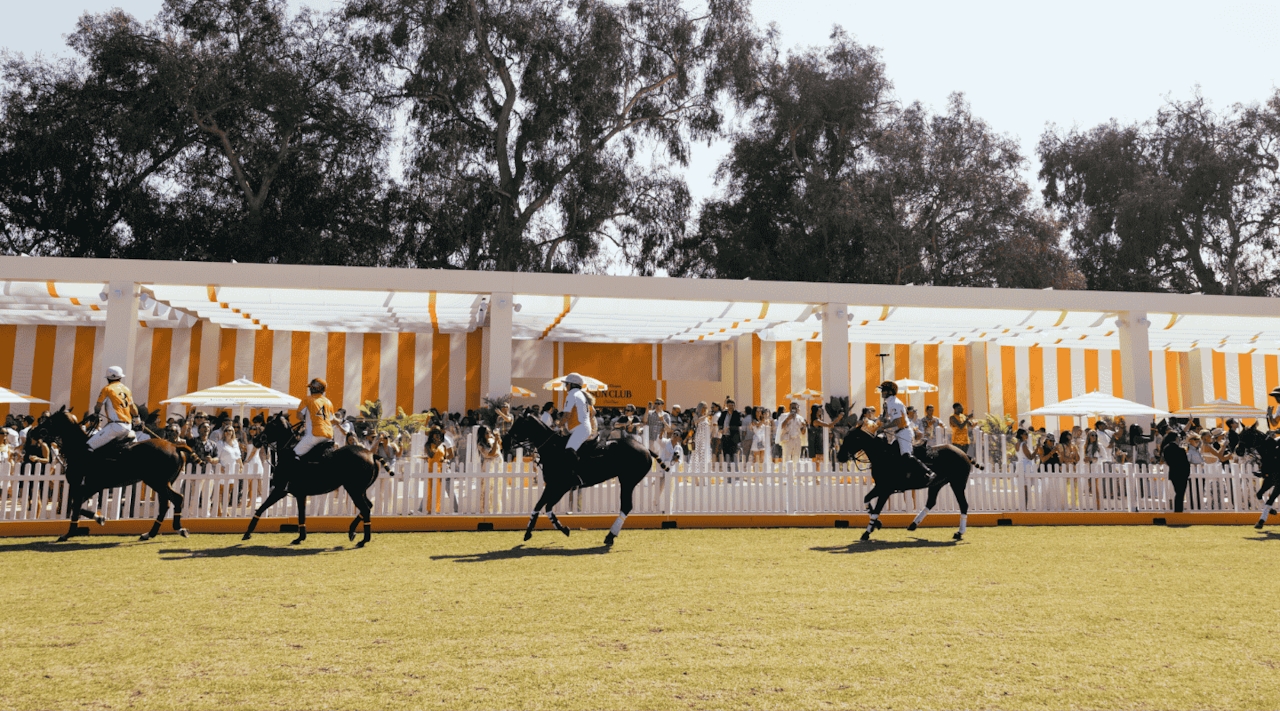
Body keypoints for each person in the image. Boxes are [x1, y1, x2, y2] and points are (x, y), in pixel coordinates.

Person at [874, 381, 937, 484]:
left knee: (906, 455)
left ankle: (929, 472)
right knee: (892, 452)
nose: (882, 392)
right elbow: (893, 420)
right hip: (898, 432)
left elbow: (898, 421)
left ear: (890, 392)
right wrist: (884, 419)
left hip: (904, 432)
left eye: (883, 390)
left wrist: (884, 427)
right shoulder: (889, 402)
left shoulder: (894, 402)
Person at [87, 366, 138, 452]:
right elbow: (133, 408)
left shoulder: (107, 389)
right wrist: (137, 420)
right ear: (120, 377)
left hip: (115, 427)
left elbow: (98, 405)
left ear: (108, 378)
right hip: (128, 427)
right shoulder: (127, 389)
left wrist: (96, 414)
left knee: (88, 446)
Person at [561, 373, 595, 483]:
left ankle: (576, 477)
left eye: (566, 384)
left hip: (580, 429)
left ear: (571, 385)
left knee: (568, 451)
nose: (565, 386)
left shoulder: (572, 394)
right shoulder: (579, 394)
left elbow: (566, 415)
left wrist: (557, 426)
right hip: (581, 428)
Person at [295, 378, 335, 460]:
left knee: (294, 453)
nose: (309, 389)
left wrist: (305, 417)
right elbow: (333, 419)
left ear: (314, 388)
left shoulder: (307, 399)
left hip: (314, 435)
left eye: (310, 387)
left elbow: (299, 416)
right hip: (329, 435)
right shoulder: (328, 402)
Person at [718, 398, 743, 464]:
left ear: (734, 406)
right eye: (729, 405)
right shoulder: (724, 413)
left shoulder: (737, 413)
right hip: (725, 436)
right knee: (725, 453)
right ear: (727, 406)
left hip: (733, 437)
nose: (730, 407)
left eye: (732, 405)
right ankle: (727, 467)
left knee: (733, 454)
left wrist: (730, 427)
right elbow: (719, 422)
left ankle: (733, 468)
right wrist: (720, 428)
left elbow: (739, 423)